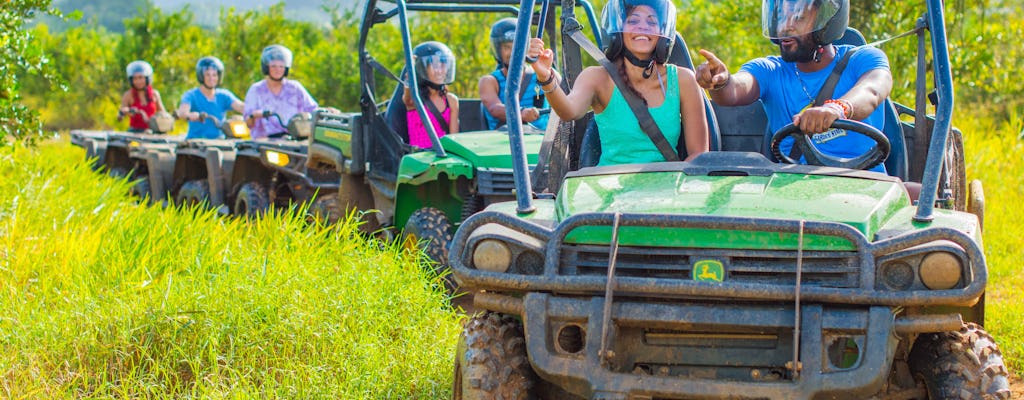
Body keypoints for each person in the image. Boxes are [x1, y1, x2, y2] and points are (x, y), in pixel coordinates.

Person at [695, 0, 893, 174]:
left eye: (798, 16)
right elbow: (734, 90)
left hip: (866, 186)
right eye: (781, 16)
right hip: (797, 193)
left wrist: (837, 109)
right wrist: (721, 81)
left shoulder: (865, 58)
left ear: (827, 21)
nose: (785, 27)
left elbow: (872, 90)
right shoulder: (769, 70)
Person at [526, 0, 709, 166]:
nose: (643, 27)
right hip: (610, 189)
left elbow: (699, 155)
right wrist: (545, 76)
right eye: (634, 20)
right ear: (618, 29)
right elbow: (568, 111)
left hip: (665, 191)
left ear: (662, 33)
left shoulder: (683, 80)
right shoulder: (598, 78)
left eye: (651, 22)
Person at [479, 17, 548, 131]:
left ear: (526, 46)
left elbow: (563, 89)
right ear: (498, 50)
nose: (512, 52)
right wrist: (521, 113)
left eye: (517, 46)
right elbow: (494, 108)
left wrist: (543, 66)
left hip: (540, 143)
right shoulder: (489, 81)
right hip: (502, 142)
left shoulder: (541, 75)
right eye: (507, 47)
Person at [243, 44, 319, 139]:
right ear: (266, 68)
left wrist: (327, 111)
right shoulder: (256, 89)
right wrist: (255, 115)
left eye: (281, 66)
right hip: (264, 141)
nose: (277, 70)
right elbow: (248, 123)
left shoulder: (295, 87)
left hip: (293, 139)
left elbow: (312, 110)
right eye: (274, 66)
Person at [403, 41, 460, 149]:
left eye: (443, 65)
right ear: (423, 69)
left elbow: (454, 139)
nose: (440, 71)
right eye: (434, 66)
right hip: (421, 158)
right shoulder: (415, 99)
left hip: (443, 156)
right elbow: (408, 97)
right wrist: (410, 69)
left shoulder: (451, 101)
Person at [177, 56, 245, 139]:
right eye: (207, 75)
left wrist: (254, 110)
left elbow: (241, 106)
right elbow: (182, 112)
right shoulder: (191, 95)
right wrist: (190, 115)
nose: (211, 78)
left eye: (214, 75)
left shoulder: (223, 95)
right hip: (196, 143)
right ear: (201, 76)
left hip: (220, 141)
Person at [118, 60, 167, 133]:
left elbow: (163, 113)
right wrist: (125, 111)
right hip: (135, 132)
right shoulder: (128, 95)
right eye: (135, 79)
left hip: (153, 131)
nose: (138, 81)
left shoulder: (154, 94)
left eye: (141, 78)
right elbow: (119, 117)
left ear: (147, 78)